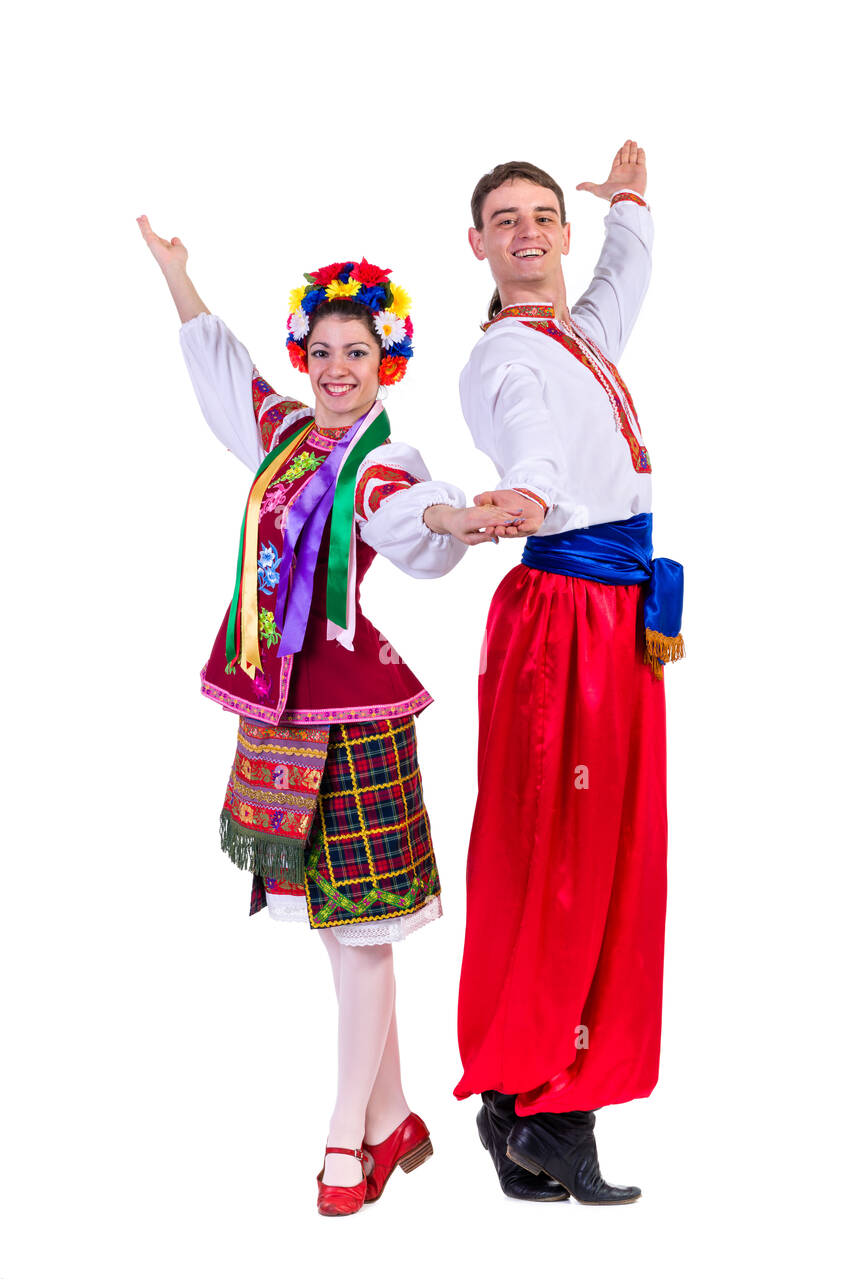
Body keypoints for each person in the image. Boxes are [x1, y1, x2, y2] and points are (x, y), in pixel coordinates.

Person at [138, 219, 518, 1216]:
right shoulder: (283, 434)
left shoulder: (382, 462)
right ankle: (392, 1115)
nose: (336, 368)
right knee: (337, 930)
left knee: (360, 934)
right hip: (276, 703)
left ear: (386, 358)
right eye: (321, 352)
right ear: (303, 357)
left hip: (351, 713)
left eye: (357, 352)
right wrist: (180, 280)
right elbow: (226, 381)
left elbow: (412, 511)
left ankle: (345, 1138)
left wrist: (456, 517)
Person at [453, 142, 684, 1204]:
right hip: (568, 624)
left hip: (614, 614)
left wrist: (627, 197)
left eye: (543, 215)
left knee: (598, 847)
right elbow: (532, 443)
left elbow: (623, 278)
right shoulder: (506, 360)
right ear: (479, 245)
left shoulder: (573, 335)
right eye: (506, 219)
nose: (529, 231)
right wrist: (530, 498)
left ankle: (518, 1112)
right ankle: (549, 1105)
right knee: (567, 855)